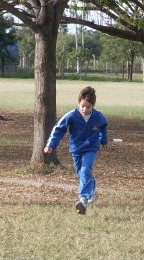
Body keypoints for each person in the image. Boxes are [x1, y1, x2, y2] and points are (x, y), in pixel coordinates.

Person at [44, 86, 109, 215]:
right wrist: (50, 144)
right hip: (76, 149)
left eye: (88, 107)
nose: (85, 110)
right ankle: (92, 187)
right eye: (83, 106)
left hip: (91, 148)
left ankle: (83, 200)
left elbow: (103, 127)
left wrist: (104, 141)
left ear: (93, 106)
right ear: (79, 103)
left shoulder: (98, 116)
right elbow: (58, 130)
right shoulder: (71, 116)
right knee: (82, 174)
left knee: (85, 170)